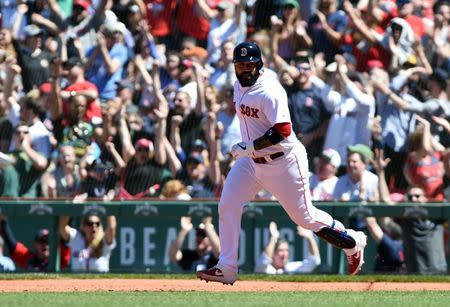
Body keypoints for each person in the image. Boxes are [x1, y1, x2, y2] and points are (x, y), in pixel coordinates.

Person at [196, 42, 367, 285]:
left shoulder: (270, 90)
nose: (245, 69)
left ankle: (351, 241)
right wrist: (250, 149)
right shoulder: (238, 85)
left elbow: (284, 131)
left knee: (305, 217)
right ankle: (227, 266)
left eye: (249, 65)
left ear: (259, 64)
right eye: (240, 65)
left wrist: (252, 146)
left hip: (283, 161)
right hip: (252, 163)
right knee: (228, 204)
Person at [255, 221, 321, 274]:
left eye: (286, 250)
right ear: (272, 254)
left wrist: (310, 238)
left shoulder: (291, 268)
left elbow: (314, 262)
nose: (284, 254)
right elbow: (263, 261)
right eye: (280, 250)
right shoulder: (267, 270)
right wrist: (273, 238)